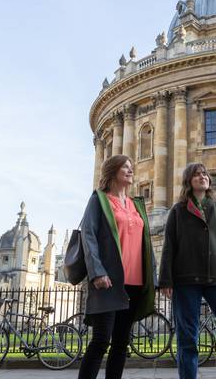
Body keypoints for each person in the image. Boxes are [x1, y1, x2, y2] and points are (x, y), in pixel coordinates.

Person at [159, 163, 216, 379]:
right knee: (187, 339)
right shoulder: (178, 211)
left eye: (204, 174)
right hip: (185, 281)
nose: (202, 176)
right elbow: (169, 246)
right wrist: (166, 280)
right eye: (196, 174)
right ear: (188, 181)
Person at [78, 155, 157, 379]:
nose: (131, 171)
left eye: (131, 167)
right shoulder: (100, 200)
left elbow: (146, 244)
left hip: (135, 281)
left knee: (121, 342)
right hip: (109, 279)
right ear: (112, 172)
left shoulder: (136, 204)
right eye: (125, 167)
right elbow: (88, 235)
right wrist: (97, 272)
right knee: (101, 340)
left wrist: (154, 277)